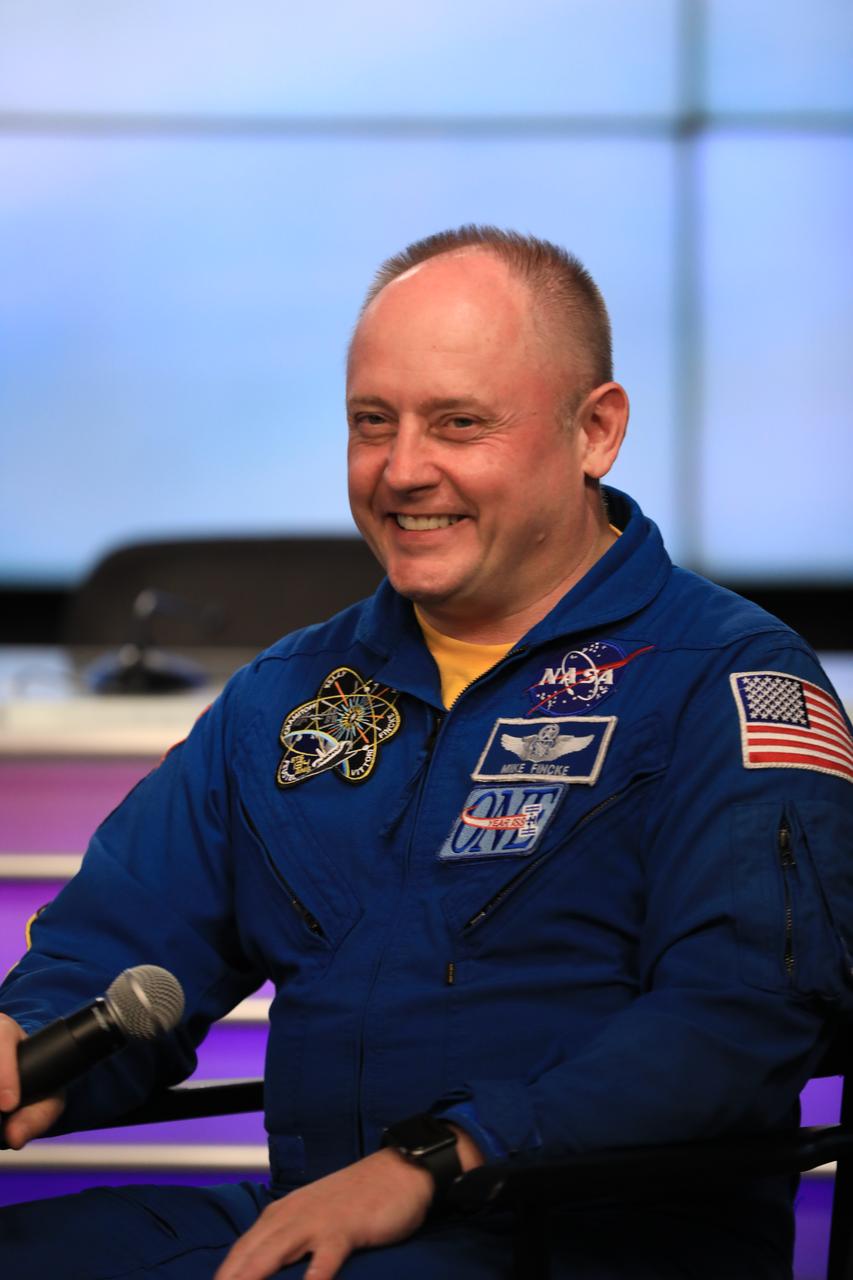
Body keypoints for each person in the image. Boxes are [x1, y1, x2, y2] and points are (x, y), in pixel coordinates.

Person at [2, 225, 853, 1279]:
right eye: (373, 422)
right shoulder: (289, 693)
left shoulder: (724, 680)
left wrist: (440, 1157)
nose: (403, 470)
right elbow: (125, 945)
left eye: (459, 423)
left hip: (590, 1234)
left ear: (595, 431)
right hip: (318, 1215)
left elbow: (738, 1018)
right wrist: (29, 1037)